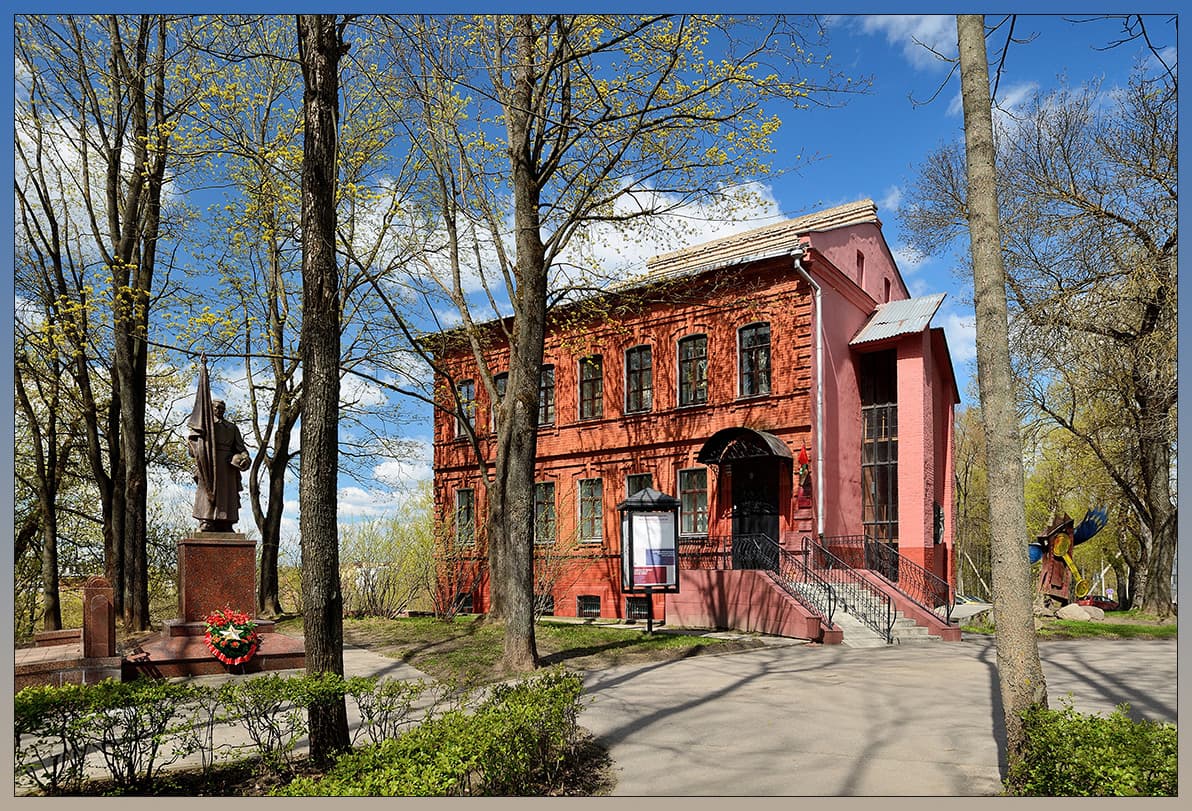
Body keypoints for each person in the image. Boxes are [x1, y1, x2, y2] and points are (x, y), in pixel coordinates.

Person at [188, 399, 251, 532]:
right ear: (211, 409)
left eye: (222, 408)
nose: (220, 410)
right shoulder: (204, 426)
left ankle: (226, 522)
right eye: (217, 408)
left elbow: (241, 448)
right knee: (207, 492)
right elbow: (193, 446)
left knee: (227, 494)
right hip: (209, 463)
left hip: (228, 465)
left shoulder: (232, 428)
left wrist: (244, 458)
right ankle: (206, 521)